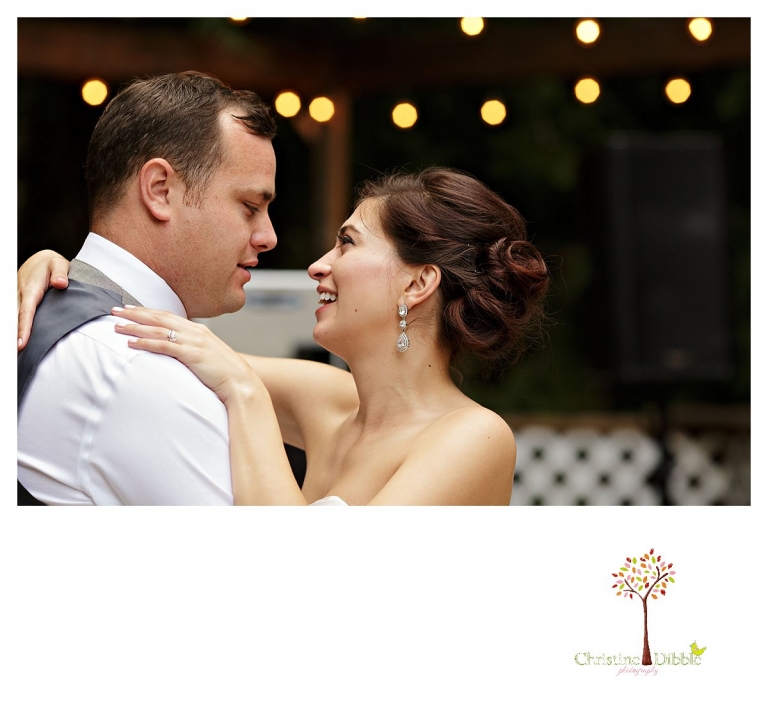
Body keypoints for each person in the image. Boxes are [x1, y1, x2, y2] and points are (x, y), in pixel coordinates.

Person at [19, 167, 550, 505]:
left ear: (417, 282)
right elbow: (157, 338)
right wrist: (64, 275)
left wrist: (245, 394)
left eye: (347, 244)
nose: (318, 267)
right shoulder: (330, 398)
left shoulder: (474, 438)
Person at [17, 70, 278, 505]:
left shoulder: (61, 318)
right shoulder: (135, 368)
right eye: (250, 207)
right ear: (160, 190)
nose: (268, 236)